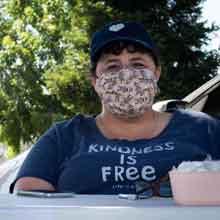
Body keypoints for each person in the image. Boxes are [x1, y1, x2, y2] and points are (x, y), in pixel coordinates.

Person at [10, 21, 220, 194]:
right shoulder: (63, 137)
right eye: (112, 66)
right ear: (94, 79)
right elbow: (29, 202)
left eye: (138, 64)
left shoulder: (204, 129)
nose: (126, 73)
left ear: (156, 73)